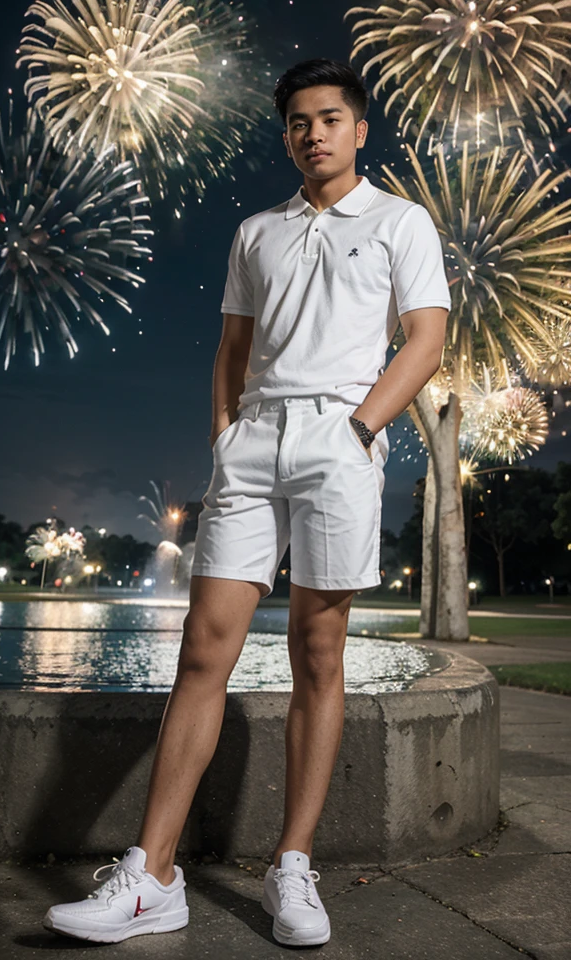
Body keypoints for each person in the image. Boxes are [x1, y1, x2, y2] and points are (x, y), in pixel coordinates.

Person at [43, 58, 451, 948]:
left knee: (318, 649)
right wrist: (228, 434)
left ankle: (291, 866)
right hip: (255, 442)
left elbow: (427, 337)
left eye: (331, 118)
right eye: (300, 121)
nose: (314, 133)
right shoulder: (255, 231)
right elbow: (231, 350)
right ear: (288, 135)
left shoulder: (399, 221)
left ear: (359, 129)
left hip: (340, 437)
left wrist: (361, 427)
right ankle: (152, 875)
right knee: (203, 649)